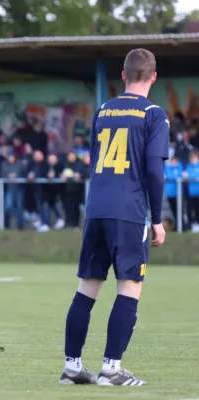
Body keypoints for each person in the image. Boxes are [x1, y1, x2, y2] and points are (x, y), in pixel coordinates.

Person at [59, 49, 168, 386]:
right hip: (128, 212)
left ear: (123, 76)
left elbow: (94, 160)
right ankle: (111, 369)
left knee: (86, 289)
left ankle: (72, 366)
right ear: (153, 77)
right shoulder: (154, 114)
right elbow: (154, 171)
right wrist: (159, 219)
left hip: (96, 209)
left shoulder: (104, 110)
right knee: (129, 287)